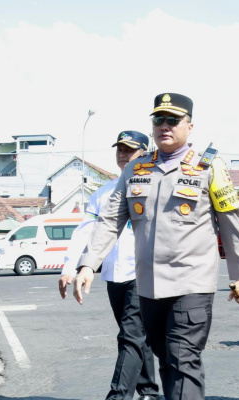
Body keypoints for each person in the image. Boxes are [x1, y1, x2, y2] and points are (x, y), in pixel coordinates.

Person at [73, 93, 239, 399]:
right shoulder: (136, 169)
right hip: (148, 286)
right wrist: (88, 264)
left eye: (173, 120)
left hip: (192, 284)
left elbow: (231, 222)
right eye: (159, 120)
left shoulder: (209, 167)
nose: (165, 126)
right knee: (166, 359)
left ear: (190, 125)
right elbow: (109, 220)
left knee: (183, 360)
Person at [59, 131, 160, 400]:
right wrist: (71, 266)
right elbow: (85, 230)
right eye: (120, 149)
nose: (123, 154)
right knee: (137, 336)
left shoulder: (155, 186)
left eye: (130, 149)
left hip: (144, 273)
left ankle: (118, 396)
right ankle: (149, 391)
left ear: (146, 153)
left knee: (130, 335)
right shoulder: (105, 192)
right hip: (115, 274)